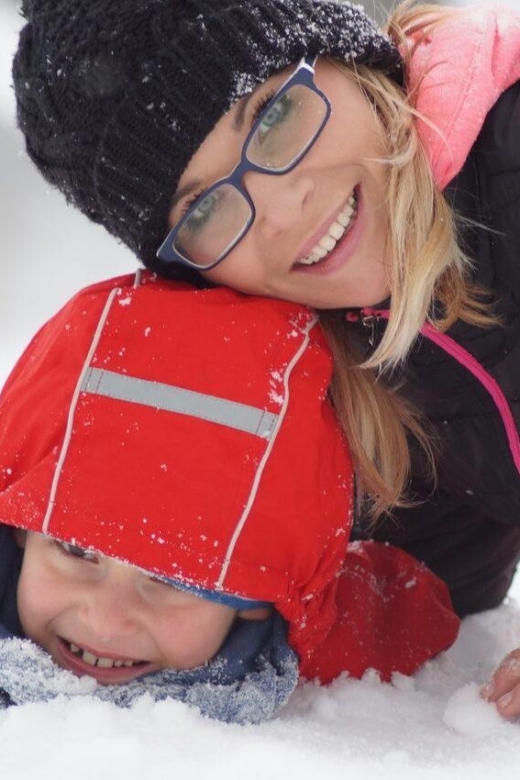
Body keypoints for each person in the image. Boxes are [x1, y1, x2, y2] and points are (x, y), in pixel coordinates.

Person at [11, 0, 520, 716]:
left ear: (343, 53)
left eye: (275, 118)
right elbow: (438, 578)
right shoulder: (358, 347)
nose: (282, 213)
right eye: (202, 211)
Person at [0, 271, 458, 721]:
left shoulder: (283, 647)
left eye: (173, 580)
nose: (104, 621)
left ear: (257, 603)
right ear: (20, 533)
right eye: (77, 550)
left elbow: (405, 606)